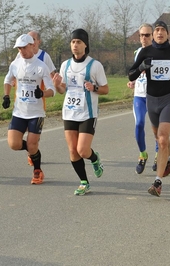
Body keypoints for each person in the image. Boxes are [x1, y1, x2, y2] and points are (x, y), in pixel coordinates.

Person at [128, 21, 170, 197]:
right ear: (153, 34)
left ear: (168, 34)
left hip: (169, 99)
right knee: (158, 137)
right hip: (151, 99)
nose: (160, 32)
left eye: (163, 30)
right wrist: (141, 67)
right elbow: (131, 74)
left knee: (162, 139)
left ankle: (158, 182)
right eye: (157, 30)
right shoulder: (145, 52)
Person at [52, 28, 109, 195]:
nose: (75, 45)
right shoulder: (65, 65)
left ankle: (95, 158)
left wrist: (94, 87)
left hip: (87, 113)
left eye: (78, 42)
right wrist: (57, 85)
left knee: (83, 150)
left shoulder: (95, 65)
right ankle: (84, 182)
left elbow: (106, 89)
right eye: (72, 42)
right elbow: (62, 90)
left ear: (85, 44)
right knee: (72, 150)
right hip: (69, 112)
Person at [2, 34, 56, 184]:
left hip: (36, 113)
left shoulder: (41, 66)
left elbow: (52, 90)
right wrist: (6, 96)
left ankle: (37, 171)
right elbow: (7, 79)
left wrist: (43, 93)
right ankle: (33, 152)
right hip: (19, 111)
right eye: (19, 48)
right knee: (14, 144)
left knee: (32, 144)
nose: (22, 51)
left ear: (32, 46)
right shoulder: (15, 64)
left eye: (24, 47)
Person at [126, 23, 158, 174]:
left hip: (155, 96)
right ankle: (142, 154)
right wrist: (132, 80)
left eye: (147, 35)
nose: (144, 38)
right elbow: (134, 71)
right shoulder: (138, 52)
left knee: (157, 129)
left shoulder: (159, 52)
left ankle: (158, 155)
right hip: (139, 96)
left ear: (152, 36)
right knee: (139, 124)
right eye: (141, 35)